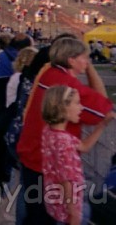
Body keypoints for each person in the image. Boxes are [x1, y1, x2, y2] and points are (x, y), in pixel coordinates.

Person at [16, 36, 113, 224]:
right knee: (43, 216)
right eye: (84, 58)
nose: (87, 61)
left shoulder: (49, 72)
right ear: (71, 60)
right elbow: (103, 107)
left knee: (31, 212)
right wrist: (90, 69)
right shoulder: (67, 87)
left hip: (32, 154)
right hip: (44, 165)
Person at [40, 86, 113, 225]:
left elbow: (83, 147)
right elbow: (65, 181)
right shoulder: (64, 142)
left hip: (56, 206)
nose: (82, 107)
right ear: (63, 108)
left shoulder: (50, 132)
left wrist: (102, 125)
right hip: (71, 210)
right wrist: (73, 213)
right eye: (77, 103)